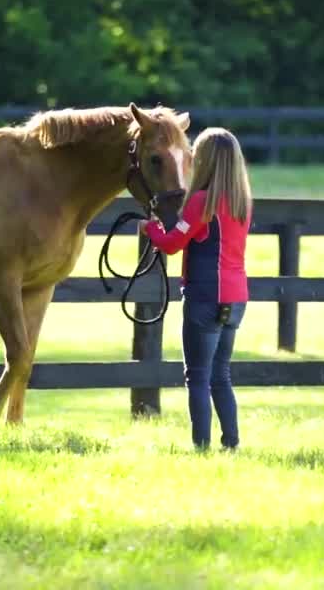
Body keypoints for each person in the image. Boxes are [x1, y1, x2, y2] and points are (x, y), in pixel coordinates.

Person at [142, 127, 252, 450]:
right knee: (221, 374)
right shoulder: (241, 201)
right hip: (236, 297)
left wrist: (150, 228)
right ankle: (230, 443)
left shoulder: (202, 201)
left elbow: (173, 243)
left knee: (198, 377)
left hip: (205, 295)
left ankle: (201, 447)